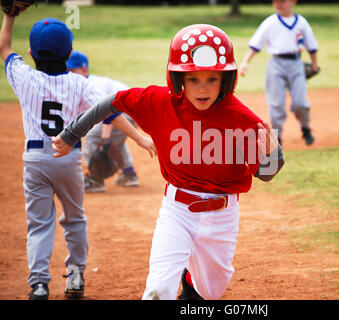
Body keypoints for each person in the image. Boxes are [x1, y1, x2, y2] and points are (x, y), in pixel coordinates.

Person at [52, 24, 285, 300]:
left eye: (212, 79)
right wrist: (72, 133)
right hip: (178, 211)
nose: (202, 89)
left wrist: (271, 157)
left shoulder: (241, 118)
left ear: (225, 79)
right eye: (193, 79)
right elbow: (113, 101)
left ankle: (191, 285)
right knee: (158, 289)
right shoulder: (159, 102)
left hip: (223, 216)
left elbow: (267, 174)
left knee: (210, 293)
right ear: (178, 80)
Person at [0, 15, 154, 300]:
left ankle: (39, 284)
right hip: (68, 158)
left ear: (32, 53)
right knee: (74, 218)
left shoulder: (24, 76)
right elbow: (110, 110)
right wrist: (140, 137)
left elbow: (5, 48)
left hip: (34, 159)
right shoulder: (79, 84)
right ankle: (75, 275)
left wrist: (8, 16)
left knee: (39, 223)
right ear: (70, 54)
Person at [239, 0, 319, 146]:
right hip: (276, 64)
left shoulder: (301, 22)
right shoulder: (270, 22)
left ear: (293, 1)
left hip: (296, 64)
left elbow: (311, 46)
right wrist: (245, 62)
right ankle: (277, 137)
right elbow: (256, 45)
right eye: (276, 1)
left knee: (300, 102)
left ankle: (305, 127)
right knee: (276, 104)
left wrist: (314, 64)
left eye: (282, 1)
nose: (278, 3)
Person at [67, 51, 141, 193]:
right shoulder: (84, 83)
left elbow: (110, 112)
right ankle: (129, 174)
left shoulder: (91, 85)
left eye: (72, 70)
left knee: (94, 136)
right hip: (132, 111)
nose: (68, 74)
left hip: (129, 111)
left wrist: (105, 138)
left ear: (84, 70)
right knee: (114, 139)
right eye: (66, 70)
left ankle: (95, 180)